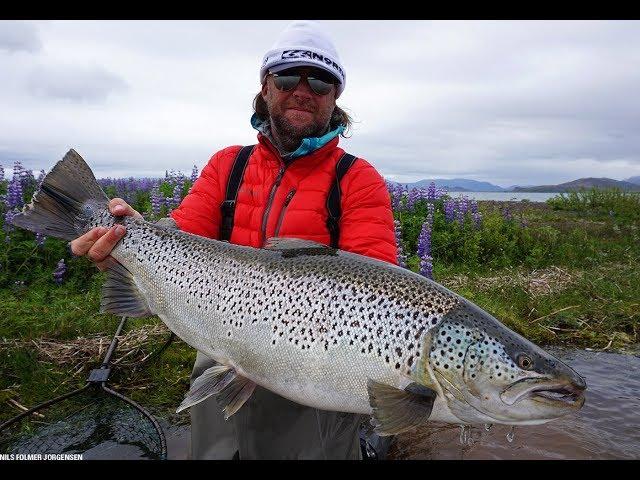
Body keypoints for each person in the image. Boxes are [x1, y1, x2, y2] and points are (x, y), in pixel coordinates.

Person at [69, 20, 397, 459]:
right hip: (220, 347)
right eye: (287, 77)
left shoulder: (357, 179)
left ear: (335, 98)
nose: (303, 90)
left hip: (316, 370)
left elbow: (378, 288)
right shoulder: (229, 165)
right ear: (265, 87)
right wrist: (122, 244)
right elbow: (182, 238)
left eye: (320, 82)